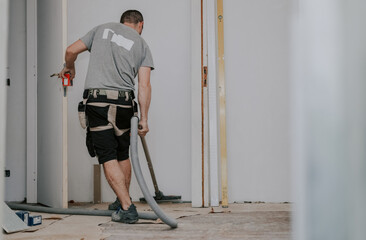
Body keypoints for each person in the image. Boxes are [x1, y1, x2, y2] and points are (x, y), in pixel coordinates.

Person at [59, 10, 154, 224]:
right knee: (122, 154)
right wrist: (145, 118)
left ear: (122, 22)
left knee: (107, 156)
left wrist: (70, 67)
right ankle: (122, 201)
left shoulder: (101, 29)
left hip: (98, 103)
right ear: (141, 24)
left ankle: (127, 208)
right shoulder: (141, 43)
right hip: (124, 104)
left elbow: (70, 50)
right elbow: (144, 85)